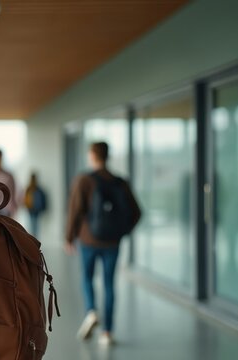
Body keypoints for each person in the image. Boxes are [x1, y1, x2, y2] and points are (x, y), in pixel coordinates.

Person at [65, 142, 141, 347]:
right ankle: (107, 333)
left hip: (89, 240)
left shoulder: (84, 180)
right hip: (112, 242)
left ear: (92, 156)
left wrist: (69, 236)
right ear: (107, 156)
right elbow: (136, 212)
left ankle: (91, 312)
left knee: (87, 278)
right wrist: (121, 232)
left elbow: (75, 209)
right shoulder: (120, 182)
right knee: (109, 284)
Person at [23, 172, 47, 236]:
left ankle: (32, 238)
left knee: (32, 225)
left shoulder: (29, 188)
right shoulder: (38, 189)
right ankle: (34, 238)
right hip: (35, 209)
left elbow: (25, 199)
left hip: (32, 209)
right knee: (35, 225)